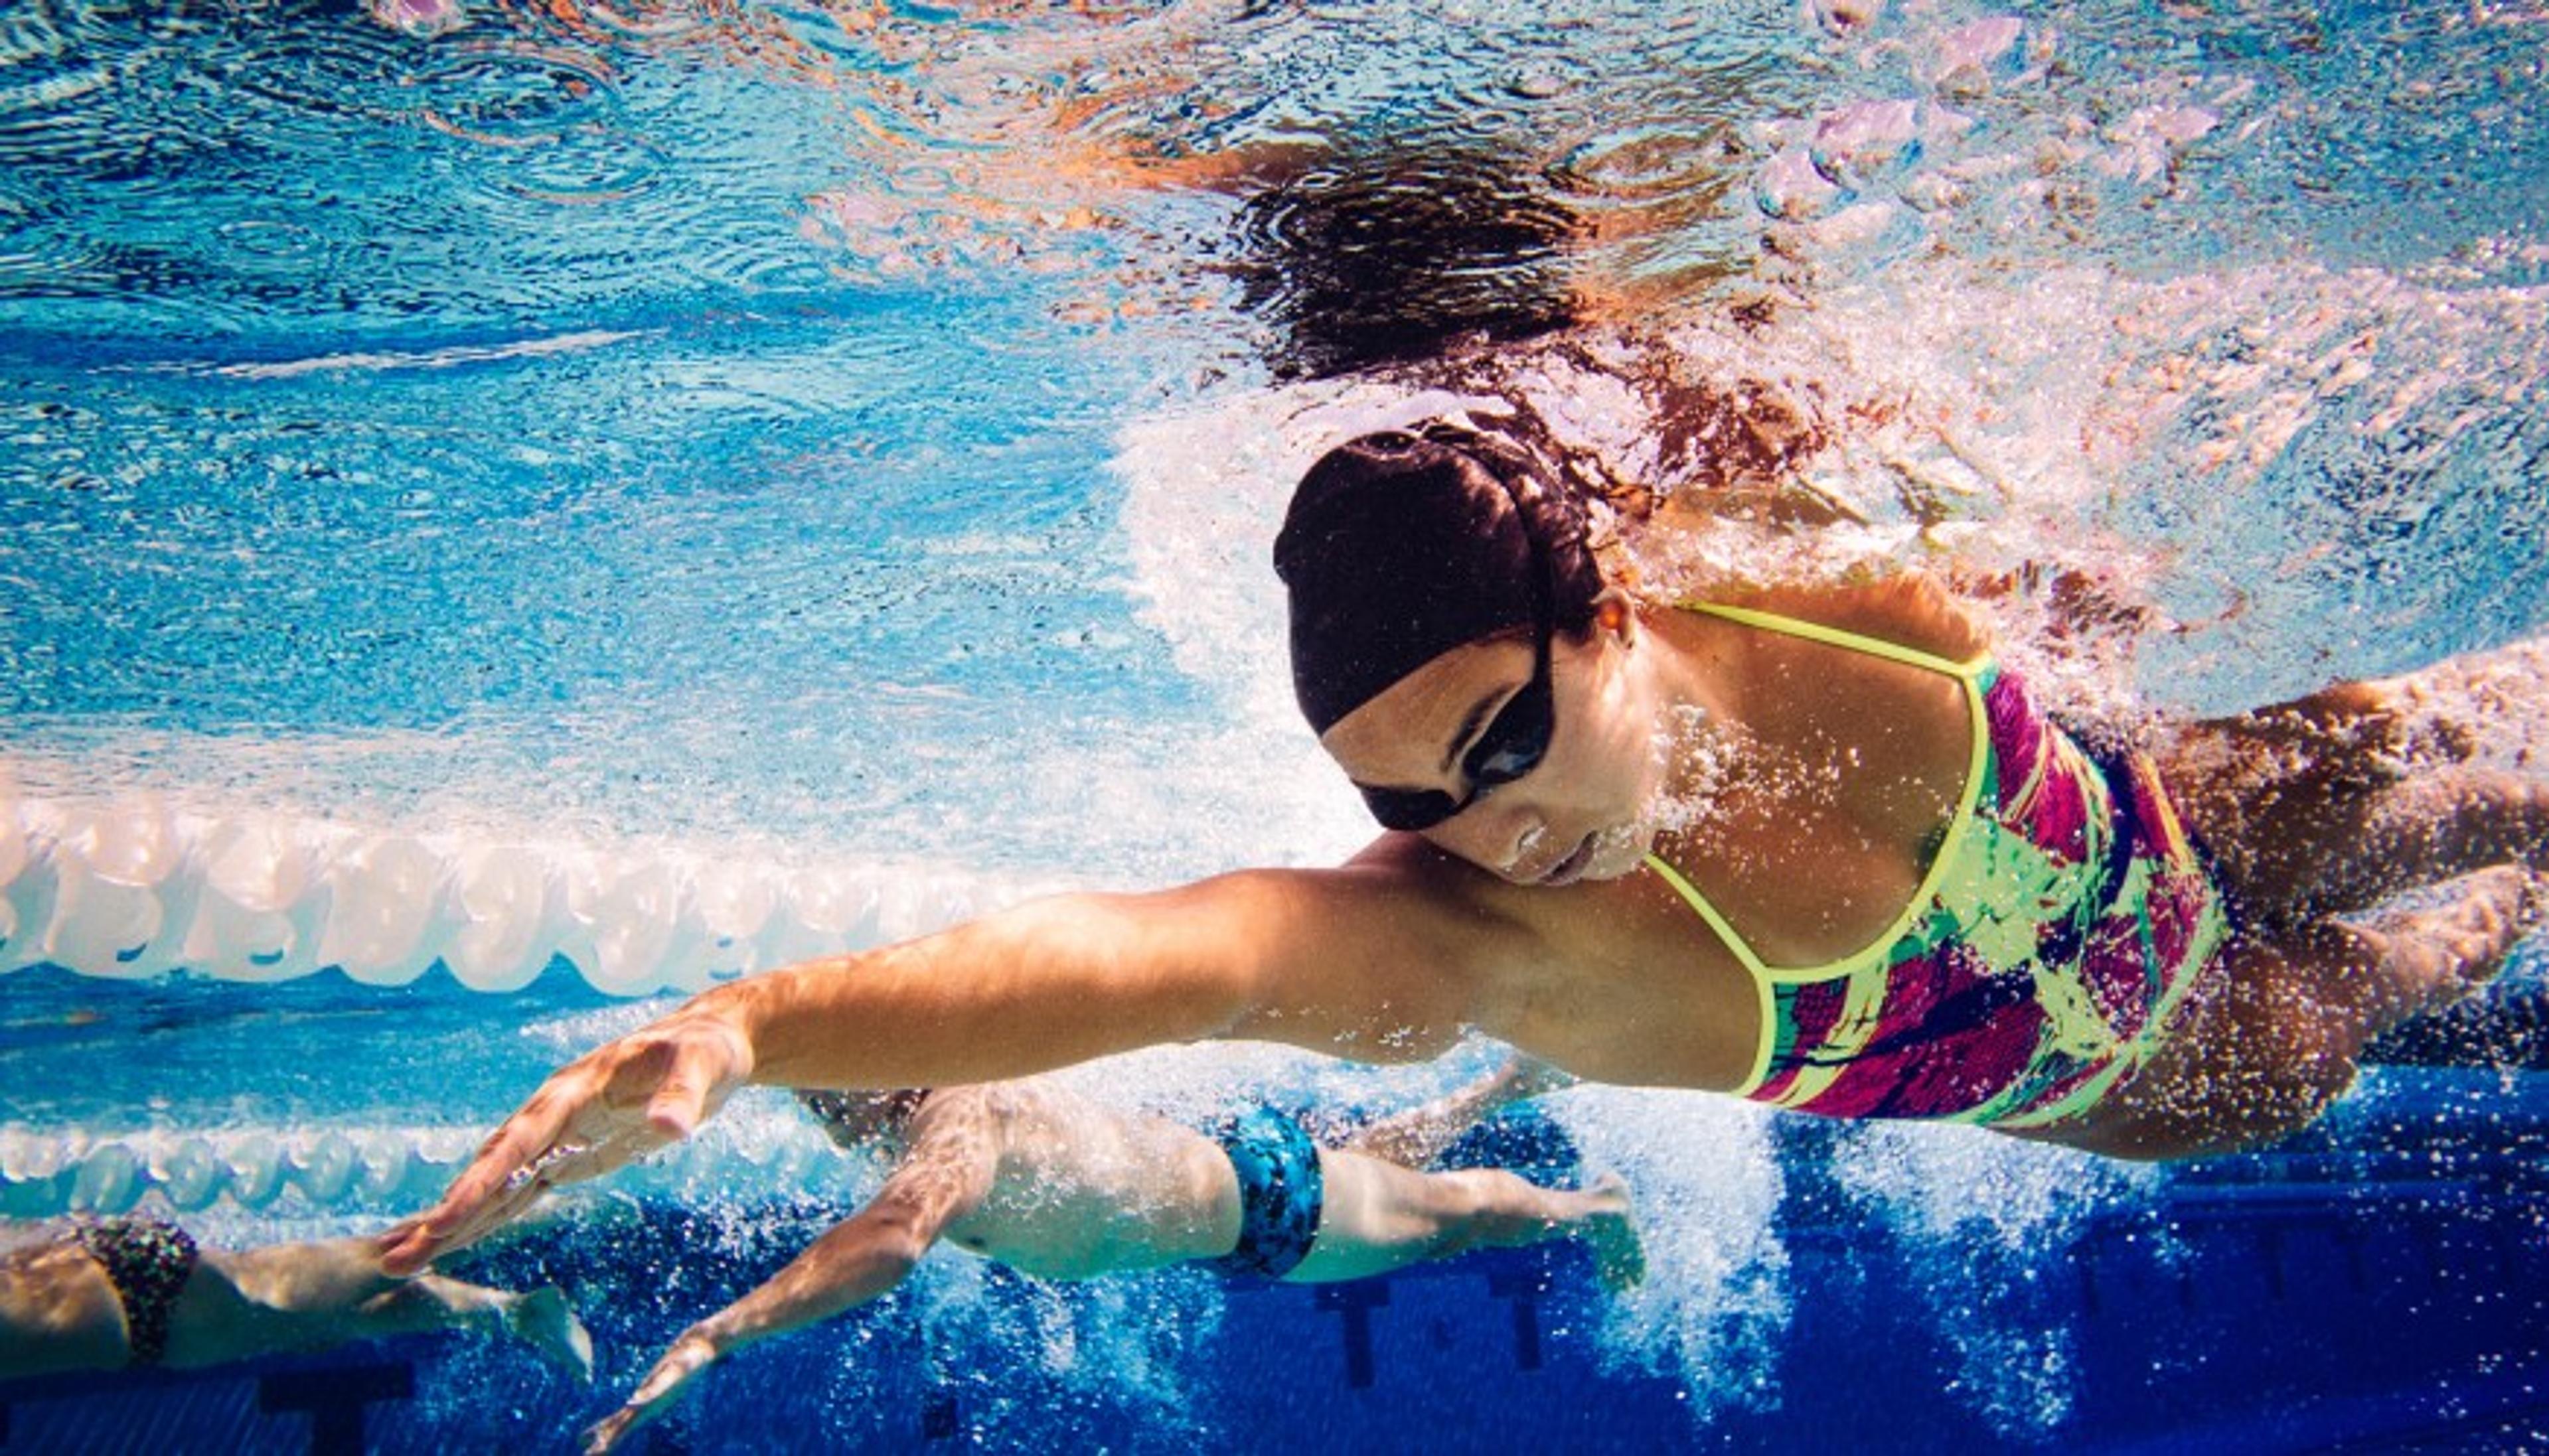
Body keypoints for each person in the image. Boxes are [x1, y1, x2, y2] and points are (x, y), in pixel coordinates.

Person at [382, 411, 2546, 1277]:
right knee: (2361, 991)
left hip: (2149, 795)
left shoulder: (1785, 570)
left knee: (2422, 763)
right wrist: (756, 1024)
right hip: (2124, 1064)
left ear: (1612, 608)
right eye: (1412, 798)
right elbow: (1178, 954)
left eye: (1509, 736)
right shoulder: (1495, 949)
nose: (1491, 825)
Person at [580, 1056, 1629, 1453]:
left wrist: (720, 1329)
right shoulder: (942, 1111)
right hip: (1255, 1182)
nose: (828, 1125)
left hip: (1274, 1213)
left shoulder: (956, 1112)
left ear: (875, 1072)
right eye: (812, 1109)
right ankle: (1498, 1088)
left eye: (830, 1099)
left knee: (1469, 1211)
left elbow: (897, 1238)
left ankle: (1593, 1201)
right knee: (1370, 1172)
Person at [0, 1214, 591, 1381]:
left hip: (139, 1306)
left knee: (380, 1263)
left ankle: (554, 1207)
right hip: (113, 1289)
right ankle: (512, 1311)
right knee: (341, 1317)